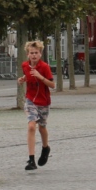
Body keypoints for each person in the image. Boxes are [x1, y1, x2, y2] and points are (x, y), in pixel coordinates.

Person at [20, 40, 54, 172]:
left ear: (40, 54)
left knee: (42, 128)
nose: (33, 55)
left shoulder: (44, 67)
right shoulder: (25, 65)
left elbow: (52, 85)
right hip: (30, 100)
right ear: (27, 55)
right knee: (31, 126)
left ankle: (45, 148)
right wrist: (22, 79)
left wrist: (40, 77)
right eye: (31, 53)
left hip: (44, 101)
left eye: (36, 53)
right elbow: (27, 75)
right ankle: (31, 159)